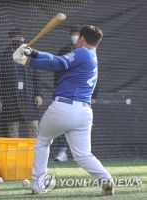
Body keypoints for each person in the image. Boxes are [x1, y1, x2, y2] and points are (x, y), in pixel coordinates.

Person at [13, 25, 114, 195]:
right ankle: (107, 181)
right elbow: (55, 58)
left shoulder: (82, 52)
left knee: (42, 142)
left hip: (64, 107)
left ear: (81, 38)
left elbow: (56, 64)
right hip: (84, 112)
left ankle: (38, 185)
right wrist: (32, 53)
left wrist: (26, 61)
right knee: (83, 155)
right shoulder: (91, 55)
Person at [53, 25, 99, 162]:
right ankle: (63, 151)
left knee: (79, 132)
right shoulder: (65, 50)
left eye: (77, 34)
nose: (76, 37)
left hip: (83, 98)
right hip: (65, 96)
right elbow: (57, 70)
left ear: (83, 38)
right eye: (73, 34)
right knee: (60, 126)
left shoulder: (88, 52)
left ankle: (80, 154)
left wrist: (94, 95)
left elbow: (93, 74)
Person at [0, 28, 43, 138]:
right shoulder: (2, 57)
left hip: (28, 96)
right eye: (15, 38)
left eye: (20, 38)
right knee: (12, 128)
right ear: (10, 39)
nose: (18, 40)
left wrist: (38, 94)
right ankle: (14, 154)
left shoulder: (29, 55)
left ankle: (35, 154)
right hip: (10, 97)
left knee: (34, 126)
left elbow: (36, 77)